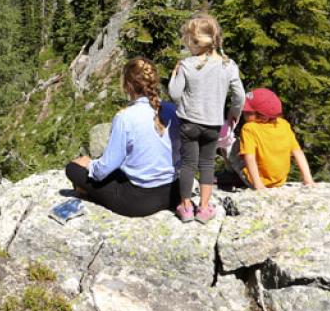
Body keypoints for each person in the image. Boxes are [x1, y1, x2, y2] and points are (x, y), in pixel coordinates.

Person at [64, 58, 179, 218]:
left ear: (128, 86)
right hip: (174, 192)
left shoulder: (125, 117)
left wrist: (88, 165)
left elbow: (105, 168)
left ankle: (84, 189)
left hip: (140, 201)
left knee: (73, 169)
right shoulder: (172, 110)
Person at [167, 12, 245, 223]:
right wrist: (233, 113)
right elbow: (239, 95)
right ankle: (203, 207)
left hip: (189, 123)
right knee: (207, 164)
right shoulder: (228, 65)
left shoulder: (186, 65)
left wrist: (174, 75)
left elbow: (174, 94)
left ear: (194, 41)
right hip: (213, 124)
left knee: (188, 164)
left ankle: (185, 206)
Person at [232, 88, 314, 190]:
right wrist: (307, 178)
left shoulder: (249, 128)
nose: (243, 112)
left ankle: (231, 174)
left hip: (258, 181)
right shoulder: (283, 124)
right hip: (280, 181)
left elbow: (249, 157)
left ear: (264, 116)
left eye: (248, 112)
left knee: (233, 145)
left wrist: (258, 184)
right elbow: (297, 152)